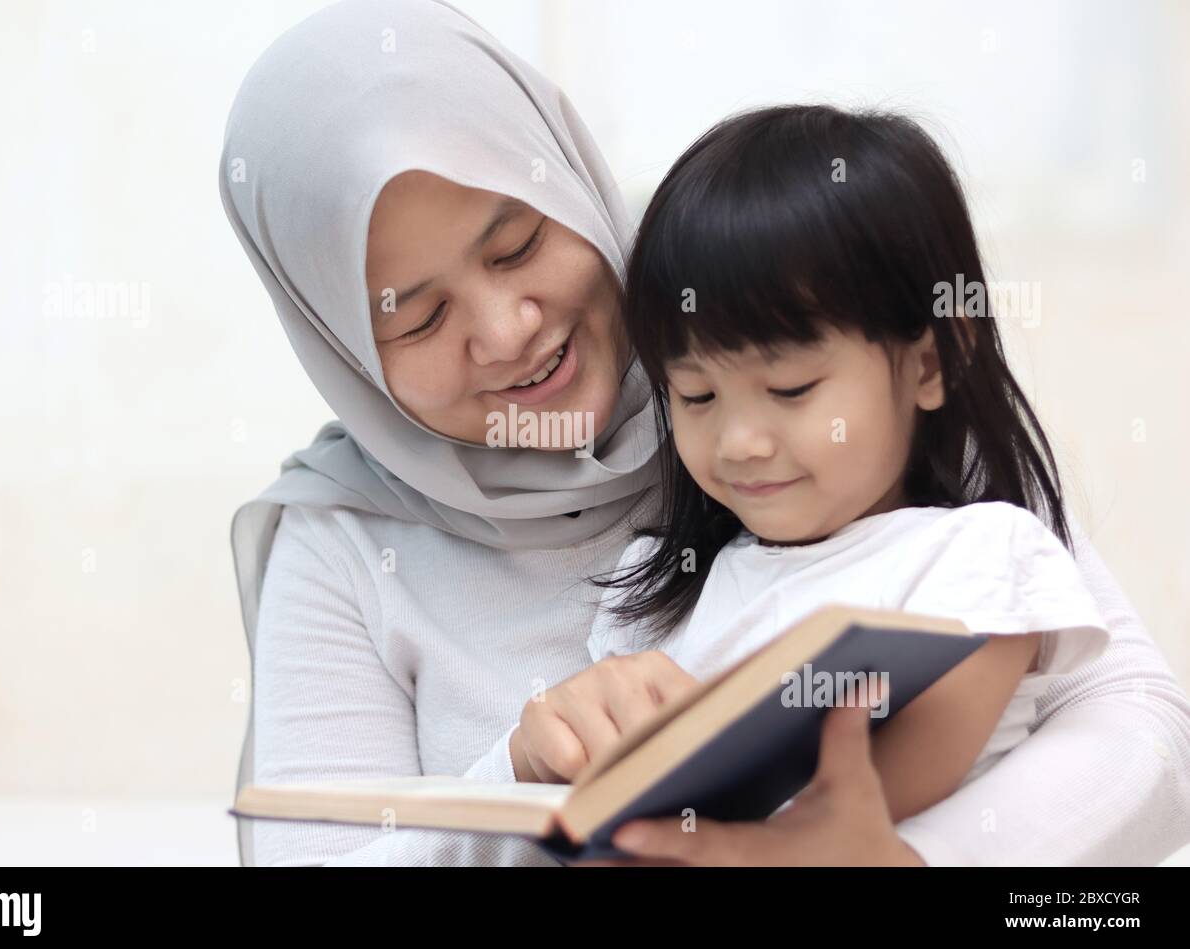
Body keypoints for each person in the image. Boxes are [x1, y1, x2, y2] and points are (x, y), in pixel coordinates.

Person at [219, 0, 1190, 866]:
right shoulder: (341, 542)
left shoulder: (804, 363)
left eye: (519, 243)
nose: (507, 329)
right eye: (418, 319)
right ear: (340, 344)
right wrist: (516, 775)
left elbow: (1142, 735)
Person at [581, 103, 1112, 836]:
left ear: (932, 362)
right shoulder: (659, 594)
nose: (739, 441)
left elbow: (851, 820)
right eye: (697, 395)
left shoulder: (978, 559)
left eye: (791, 389)